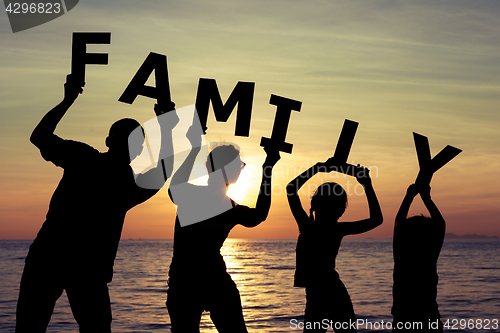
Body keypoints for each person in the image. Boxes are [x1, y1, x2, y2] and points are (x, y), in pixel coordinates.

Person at [16, 74, 177, 333]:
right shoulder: (123, 184)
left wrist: (68, 100)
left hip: (54, 260)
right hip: (77, 268)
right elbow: (163, 169)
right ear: (137, 150)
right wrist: (167, 126)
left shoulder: (84, 159)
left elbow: (39, 136)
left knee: (30, 328)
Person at [166, 124, 280, 333]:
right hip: (211, 279)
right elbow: (260, 215)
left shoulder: (189, 194)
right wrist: (268, 170)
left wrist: (193, 148)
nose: (241, 168)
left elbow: (175, 186)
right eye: (239, 165)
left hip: (185, 281)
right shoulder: (229, 208)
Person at [286, 158, 383, 333]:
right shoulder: (334, 229)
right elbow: (377, 219)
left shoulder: (310, 228)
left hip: (323, 294)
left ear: (315, 204)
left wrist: (316, 169)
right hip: (329, 293)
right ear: (341, 209)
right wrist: (366, 184)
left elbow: (290, 189)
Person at [392, 174, 445, 332]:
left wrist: (409, 196)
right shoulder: (429, 256)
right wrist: (426, 197)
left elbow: (398, 223)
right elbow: (441, 224)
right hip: (429, 317)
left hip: (403, 318)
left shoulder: (402, 257)